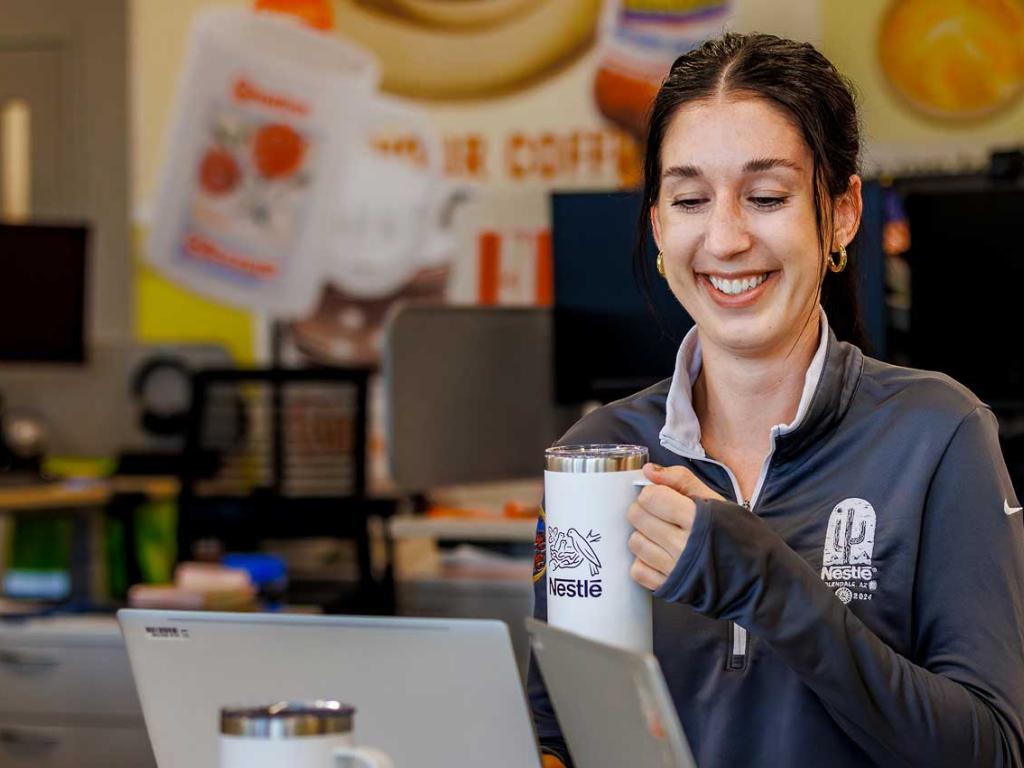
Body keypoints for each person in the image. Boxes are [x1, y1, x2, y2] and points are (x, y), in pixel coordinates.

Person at [529, 32, 1024, 768]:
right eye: (691, 199)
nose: (725, 238)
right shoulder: (600, 455)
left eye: (766, 197)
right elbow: (557, 733)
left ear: (843, 212)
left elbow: (988, 752)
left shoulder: (938, 435)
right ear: (660, 225)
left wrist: (767, 582)